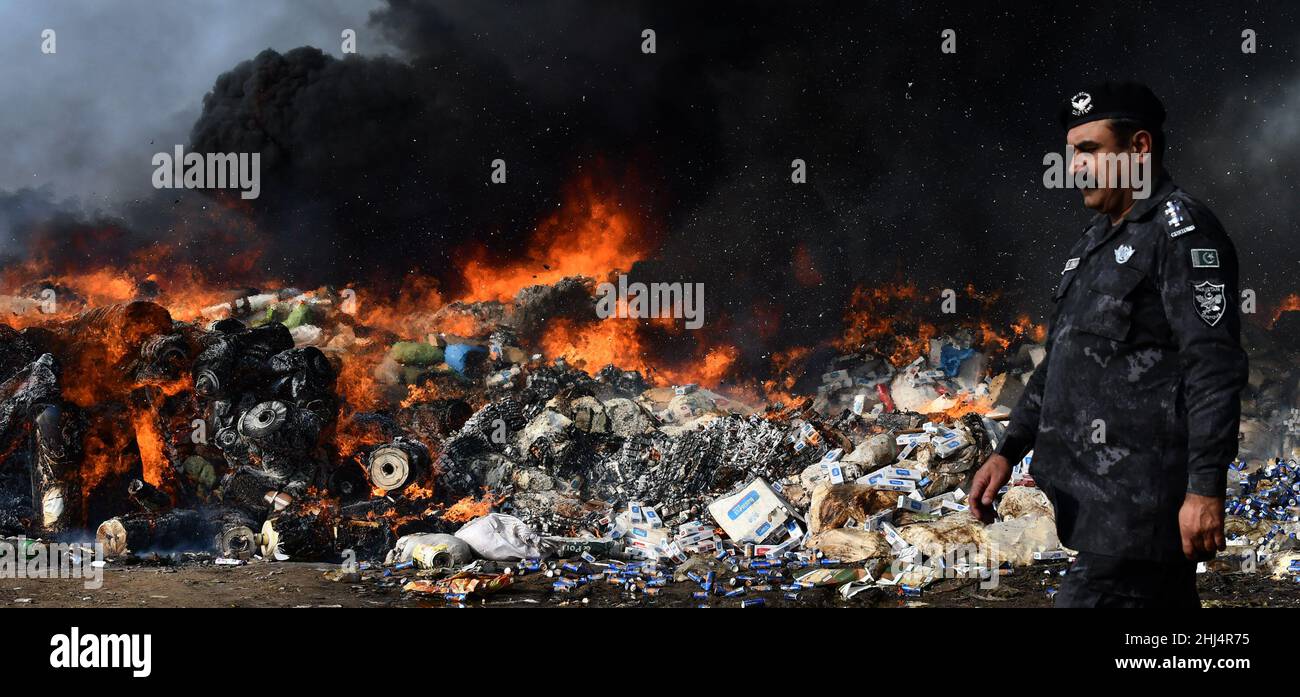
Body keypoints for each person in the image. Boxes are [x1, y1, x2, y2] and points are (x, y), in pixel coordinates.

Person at [967, 81, 1249, 608]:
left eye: (1090, 151)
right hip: (1093, 512)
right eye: (1072, 154)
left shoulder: (1181, 233)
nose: (1075, 167)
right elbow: (1061, 362)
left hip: (1138, 513)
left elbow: (1213, 368)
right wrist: (1008, 450)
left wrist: (1205, 488)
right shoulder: (1095, 241)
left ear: (1139, 149)